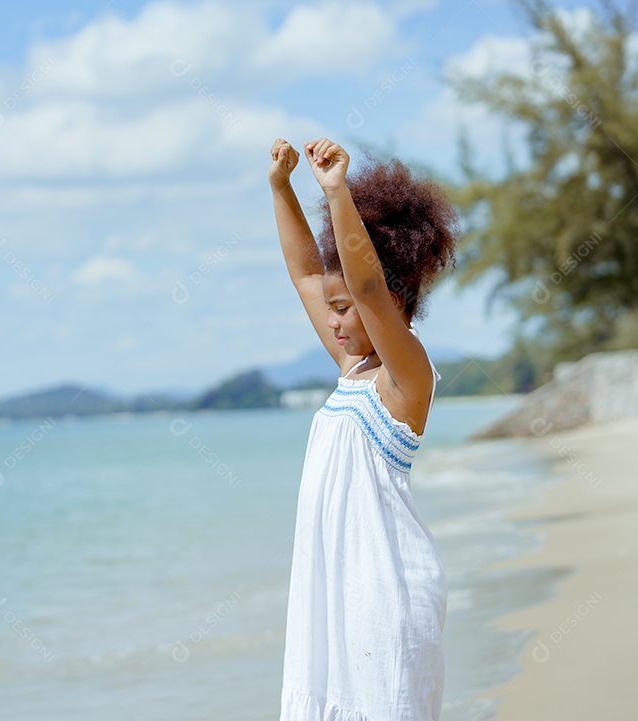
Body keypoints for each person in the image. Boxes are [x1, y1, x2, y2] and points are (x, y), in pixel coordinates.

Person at [268, 136, 459, 721]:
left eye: (344, 308)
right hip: (335, 600)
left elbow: (369, 286)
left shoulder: (406, 378)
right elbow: (307, 273)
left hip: (386, 595)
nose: (333, 320)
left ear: (393, 303)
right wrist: (281, 188)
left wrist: (336, 192)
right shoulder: (356, 367)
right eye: (333, 308)